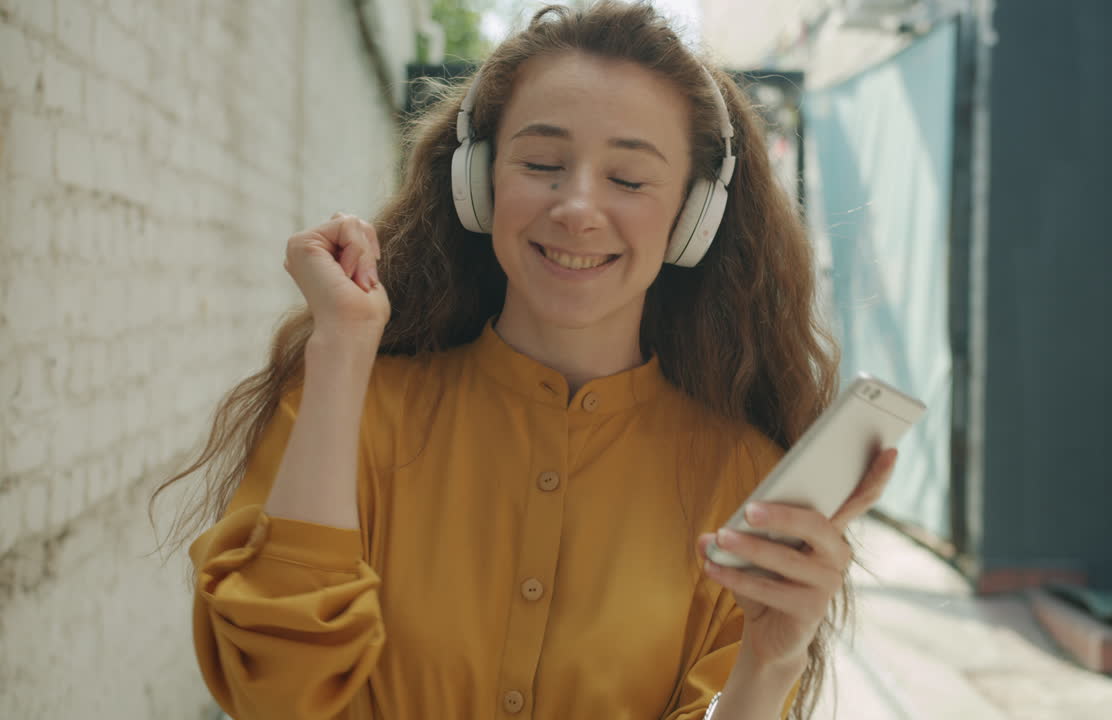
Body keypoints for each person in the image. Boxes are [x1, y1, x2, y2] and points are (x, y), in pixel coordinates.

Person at [155, 3, 897, 718]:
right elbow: (273, 696)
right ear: (479, 183)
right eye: (542, 162)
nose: (577, 206)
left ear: (692, 219)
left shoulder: (744, 481)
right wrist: (342, 348)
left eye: (630, 179)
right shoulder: (350, 406)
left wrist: (769, 664)